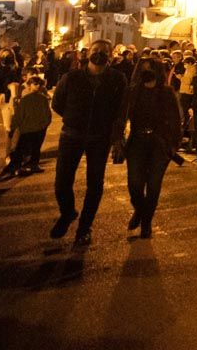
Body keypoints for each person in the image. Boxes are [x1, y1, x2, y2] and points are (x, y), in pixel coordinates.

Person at [50, 39, 129, 245]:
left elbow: (121, 110)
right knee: (61, 183)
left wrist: (117, 137)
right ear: (88, 53)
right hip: (71, 135)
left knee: (95, 184)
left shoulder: (117, 79)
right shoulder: (72, 77)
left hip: (99, 137)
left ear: (111, 55)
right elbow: (57, 103)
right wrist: (73, 118)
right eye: (96, 50)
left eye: (104, 51)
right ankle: (68, 213)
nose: (99, 54)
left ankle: (85, 227)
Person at [118, 56, 182, 238]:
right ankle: (140, 209)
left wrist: (173, 144)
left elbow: (176, 120)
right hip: (137, 141)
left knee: (153, 186)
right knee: (135, 184)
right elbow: (122, 116)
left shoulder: (166, 93)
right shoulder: (133, 91)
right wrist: (118, 139)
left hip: (159, 144)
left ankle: (146, 222)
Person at [1, 72, 51, 177]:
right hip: (31, 129)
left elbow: (47, 114)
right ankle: (19, 166)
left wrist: (45, 124)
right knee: (26, 148)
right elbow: (19, 116)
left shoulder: (42, 99)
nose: (37, 86)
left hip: (34, 129)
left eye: (38, 84)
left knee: (32, 148)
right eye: (34, 84)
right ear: (29, 85)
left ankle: (27, 165)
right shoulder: (27, 100)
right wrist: (14, 127)